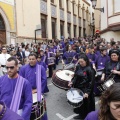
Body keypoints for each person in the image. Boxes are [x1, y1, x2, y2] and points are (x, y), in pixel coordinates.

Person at [68, 54, 95, 119]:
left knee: (86, 104)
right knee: (79, 103)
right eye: (79, 62)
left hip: (86, 89)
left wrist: (87, 92)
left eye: (82, 62)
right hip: (78, 87)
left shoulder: (90, 69)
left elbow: (91, 82)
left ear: (86, 61)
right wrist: (72, 82)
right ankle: (81, 115)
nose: (81, 63)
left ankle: (87, 116)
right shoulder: (78, 66)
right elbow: (75, 76)